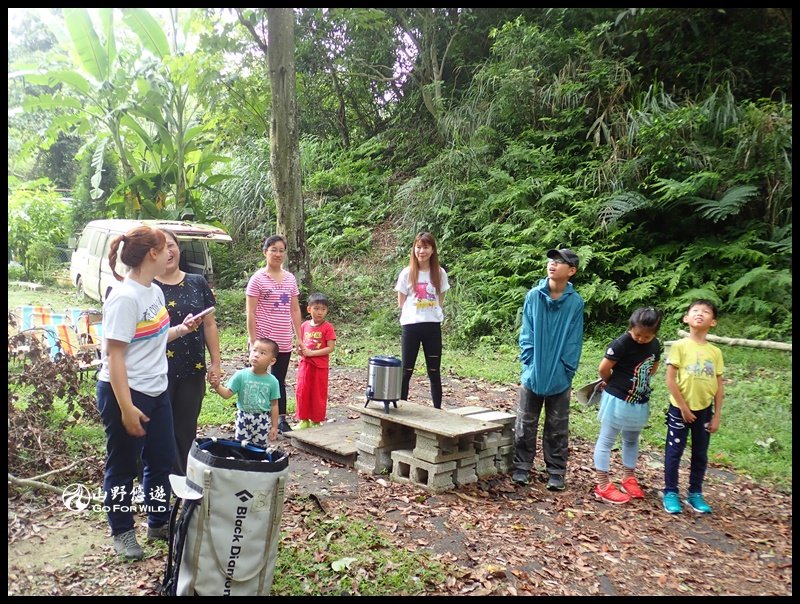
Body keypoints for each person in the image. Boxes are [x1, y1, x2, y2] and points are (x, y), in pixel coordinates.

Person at [96, 226, 202, 560]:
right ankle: (122, 532)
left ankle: (157, 522)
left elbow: (151, 337)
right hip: (126, 392)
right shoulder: (124, 298)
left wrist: (181, 330)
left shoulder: (153, 291)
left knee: (161, 460)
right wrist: (126, 408)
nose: (171, 251)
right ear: (152, 254)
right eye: (165, 246)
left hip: (157, 390)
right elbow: (115, 356)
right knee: (123, 466)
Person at [512, 248, 584, 491]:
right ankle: (522, 467)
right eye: (551, 260)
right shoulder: (534, 296)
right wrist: (529, 363)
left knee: (557, 426)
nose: (552, 264)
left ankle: (556, 471)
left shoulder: (575, 302)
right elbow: (526, 332)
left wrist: (566, 370)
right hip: (533, 372)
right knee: (525, 422)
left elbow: (574, 340)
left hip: (560, 376)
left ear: (571, 271)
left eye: (559, 262)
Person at [155, 230, 221, 474]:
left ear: (178, 248)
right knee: (159, 427)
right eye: (160, 247)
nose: (167, 251)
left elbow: (210, 324)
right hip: (156, 370)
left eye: (171, 245)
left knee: (186, 428)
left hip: (193, 368)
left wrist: (216, 362)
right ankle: (158, 477)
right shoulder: (147, 287)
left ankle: (182, 477)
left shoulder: (197, 282)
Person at [593, 307, 663, 504]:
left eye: (647, 337)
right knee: (607, 439)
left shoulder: (655, 344)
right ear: (631, 327)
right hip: (617, 399)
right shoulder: (621, 343)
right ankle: (603, 485)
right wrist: (612, 383)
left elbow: (653, 368)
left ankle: (629, 478)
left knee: (631, 440)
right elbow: (603, 369)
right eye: (637, 334)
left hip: (638, 400)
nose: (641, 339)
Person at [662, 300, 725, 515]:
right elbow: (670, 380)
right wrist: (683, 408)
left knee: (700, 452)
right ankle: (671, 492)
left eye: (706, 312)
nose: (700, 314)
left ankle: (695, 493)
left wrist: (716, 415)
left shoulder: (715, 352)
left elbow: (719, 385)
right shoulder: (679, 346)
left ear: (713, 322)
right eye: (695, 311)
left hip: (705, 410)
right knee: (674, 451)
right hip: (679, 409)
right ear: (686, 318)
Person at [245, 235, 302, 434]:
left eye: (281, 250)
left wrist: (299, 337)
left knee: (278, 380)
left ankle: (280, 419)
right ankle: (254, 417)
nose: (278, 254)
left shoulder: (290, 279)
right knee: (257, 378)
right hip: (263, 339)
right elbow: (251, 312)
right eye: (273, 250)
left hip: (284, 339)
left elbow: (294, 309)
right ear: (265, 252)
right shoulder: (257, 279)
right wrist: (253, 340)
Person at [394, 232, 450, 409]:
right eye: (418, 247)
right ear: (414, 249)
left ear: (432, 250)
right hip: (411, 326)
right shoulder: (407, 273)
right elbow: (401, 302)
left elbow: (440, 300)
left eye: (425, 247)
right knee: (406, 371)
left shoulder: (439, 273)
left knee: (434, 371)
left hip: (432, 327)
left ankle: (437, 410)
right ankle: (401, 409)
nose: (421, 251)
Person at [210, 337, 281, 447]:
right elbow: (227, 394)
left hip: (262, 419)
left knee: (259, 449)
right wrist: (217, 386)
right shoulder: (241, 375)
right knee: (241, 447)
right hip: (243, 417)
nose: (256, 355)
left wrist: (274, 427)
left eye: (262, 353)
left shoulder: (273, 381)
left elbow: (274, 405)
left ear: (272, 361)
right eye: (254, 350)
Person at [295, 293, 337, 429]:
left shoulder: (328, 327)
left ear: (327, 311)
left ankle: (316, 420)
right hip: (305, 364)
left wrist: (312, 353)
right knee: (302, 391)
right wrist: (299, 350)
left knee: (318, 393)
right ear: (309, 309)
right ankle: (303, 420)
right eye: (316, 308)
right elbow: (300, 343)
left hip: (320, 367)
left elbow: (330, 348)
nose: (320, 312)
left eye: (323, 309)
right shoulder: (304, 326)